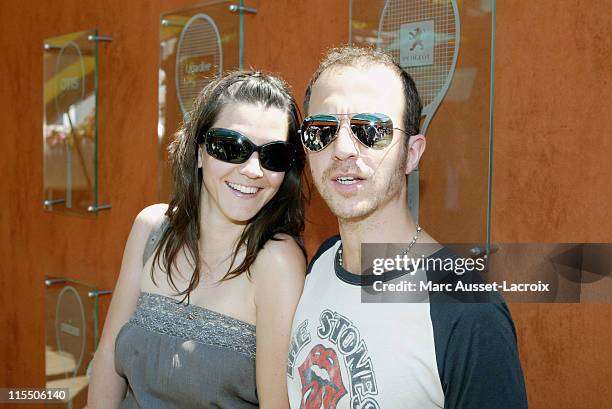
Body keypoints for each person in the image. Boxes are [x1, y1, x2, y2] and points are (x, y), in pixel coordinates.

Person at [286, 47, 528, 408]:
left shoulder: (468, 310)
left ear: (412, 154)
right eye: (322, 130)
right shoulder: (320, 263)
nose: (342, 150)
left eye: (370, 130)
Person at [88, 71, 307, 409]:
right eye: (232, 147)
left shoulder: (276, 261)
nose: (253, 169)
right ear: (201, 151)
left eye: (273, 155)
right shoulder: (151, 228)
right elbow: (107, 358)